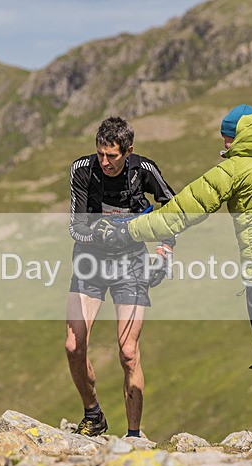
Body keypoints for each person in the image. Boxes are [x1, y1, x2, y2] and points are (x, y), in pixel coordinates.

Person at [104, 105, 252, 444]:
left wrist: (129, 230)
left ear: (237, 136)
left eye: (226, 138)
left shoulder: (233, 169)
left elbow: (183, 210)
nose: (225, 145)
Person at [66, 116, 177, 438]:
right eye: (100, 153)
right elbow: (75, 226)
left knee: (128, 352)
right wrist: (100, 234)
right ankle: (93, 415)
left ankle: (133, 435)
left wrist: (164, 252)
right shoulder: (82, 170)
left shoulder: (143, 169)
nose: (105, 162)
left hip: (131, 264)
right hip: (90, 262)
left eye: (112, 156)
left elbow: (173, 209)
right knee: (74, 346)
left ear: (128, 151)